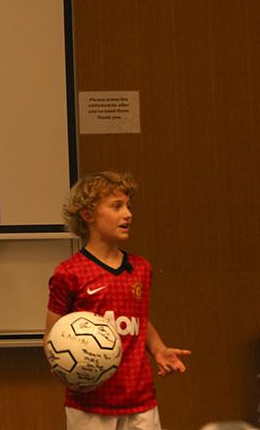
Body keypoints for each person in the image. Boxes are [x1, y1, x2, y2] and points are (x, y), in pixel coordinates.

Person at [45, 171, 191, 430]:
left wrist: (159, 349)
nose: (128, 214)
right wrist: (61, 363)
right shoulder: (70, 272)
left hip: (141, 399)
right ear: (88, 215)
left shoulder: (140, 267)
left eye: (128, 206)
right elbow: (52, 334)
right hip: (91, 404)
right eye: (116, 206)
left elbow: (140, 318)